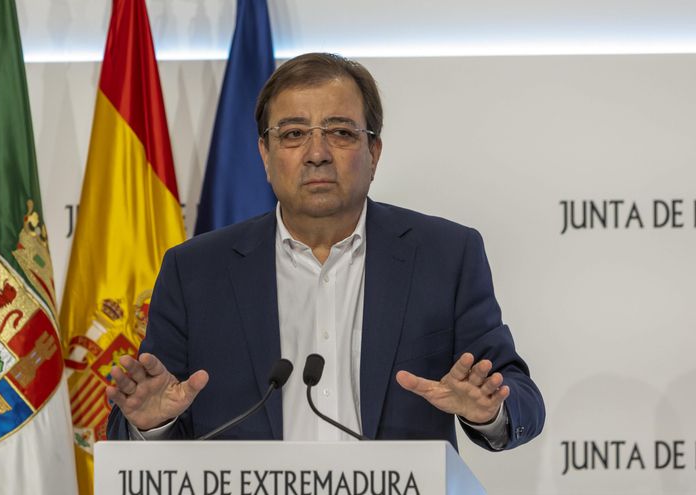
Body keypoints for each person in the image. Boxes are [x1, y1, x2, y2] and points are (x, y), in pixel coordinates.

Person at [105, 52, 544, 449]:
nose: (317, 153)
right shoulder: (195, 271)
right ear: (265, 153)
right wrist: (152, 424)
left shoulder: (446, 256)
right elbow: (154, 414)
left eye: (340, 132)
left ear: (374, 152)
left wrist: (490, 410)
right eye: (294, 133)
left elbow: (521, 398)